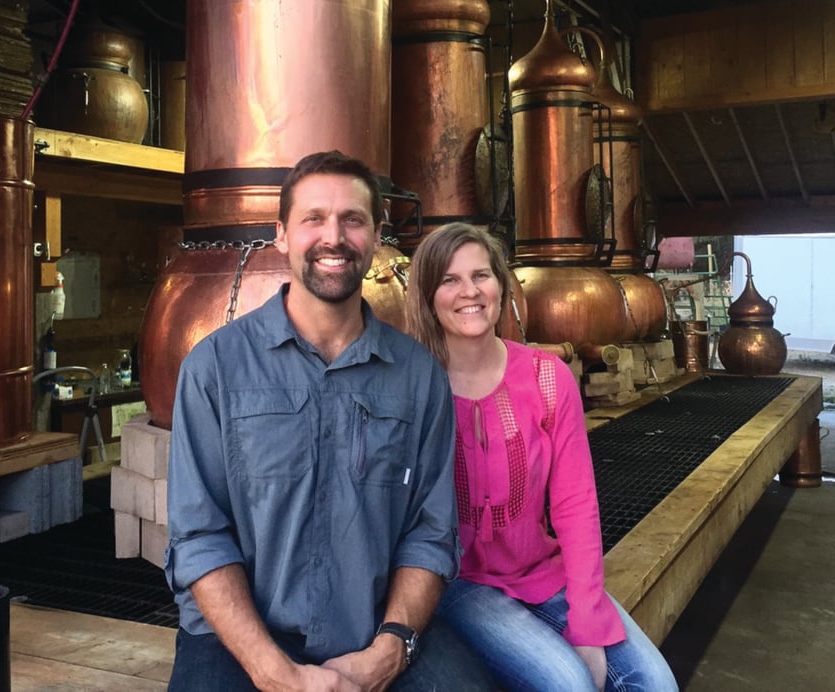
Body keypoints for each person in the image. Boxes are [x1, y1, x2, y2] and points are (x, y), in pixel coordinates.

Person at [165, 152, 494, 691]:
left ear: (377, 235)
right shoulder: (214, 368)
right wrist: (276, 674)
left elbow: (430, 534)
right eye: (314, 219)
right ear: (282, 235)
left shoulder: (417, 379)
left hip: (376, 634)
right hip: (240, 643)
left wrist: (389, 650)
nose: (333, 237)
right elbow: (200, 537)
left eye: (353, 220)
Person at [405, 222, 679, 692]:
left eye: (481, 276)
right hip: (459, 585)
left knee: (654, 683)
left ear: (501, 285)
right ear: (429, 296)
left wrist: (589, 626)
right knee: (567, 684)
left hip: (540, 571)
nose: (469, 292)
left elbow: (575, 505)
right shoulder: (412, 388)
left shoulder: (547, 377)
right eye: (449, 280)